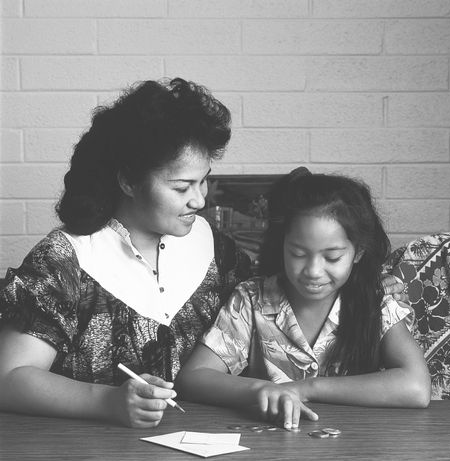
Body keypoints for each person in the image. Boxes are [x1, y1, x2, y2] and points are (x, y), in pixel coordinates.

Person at [0, 79, 406, 429]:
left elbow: (274, 309)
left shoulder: (215, 248)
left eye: (204, 182)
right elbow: (10, 377)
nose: (200, 200)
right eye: (181, 187)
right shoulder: (67, 258)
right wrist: (105, 401)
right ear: (127, 180)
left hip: (209, 454)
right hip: (81, 455)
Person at [176, 167, 431, 431]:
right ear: (282, 245)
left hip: (357, 450)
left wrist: (306, 388)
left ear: (358, 253)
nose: (313, 271)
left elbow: (416, 387)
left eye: (332, 258)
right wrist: (260, 390)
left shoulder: (376, 302)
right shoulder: (251, 299)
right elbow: (193, 377)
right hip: (268, 449)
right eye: (298, 253)